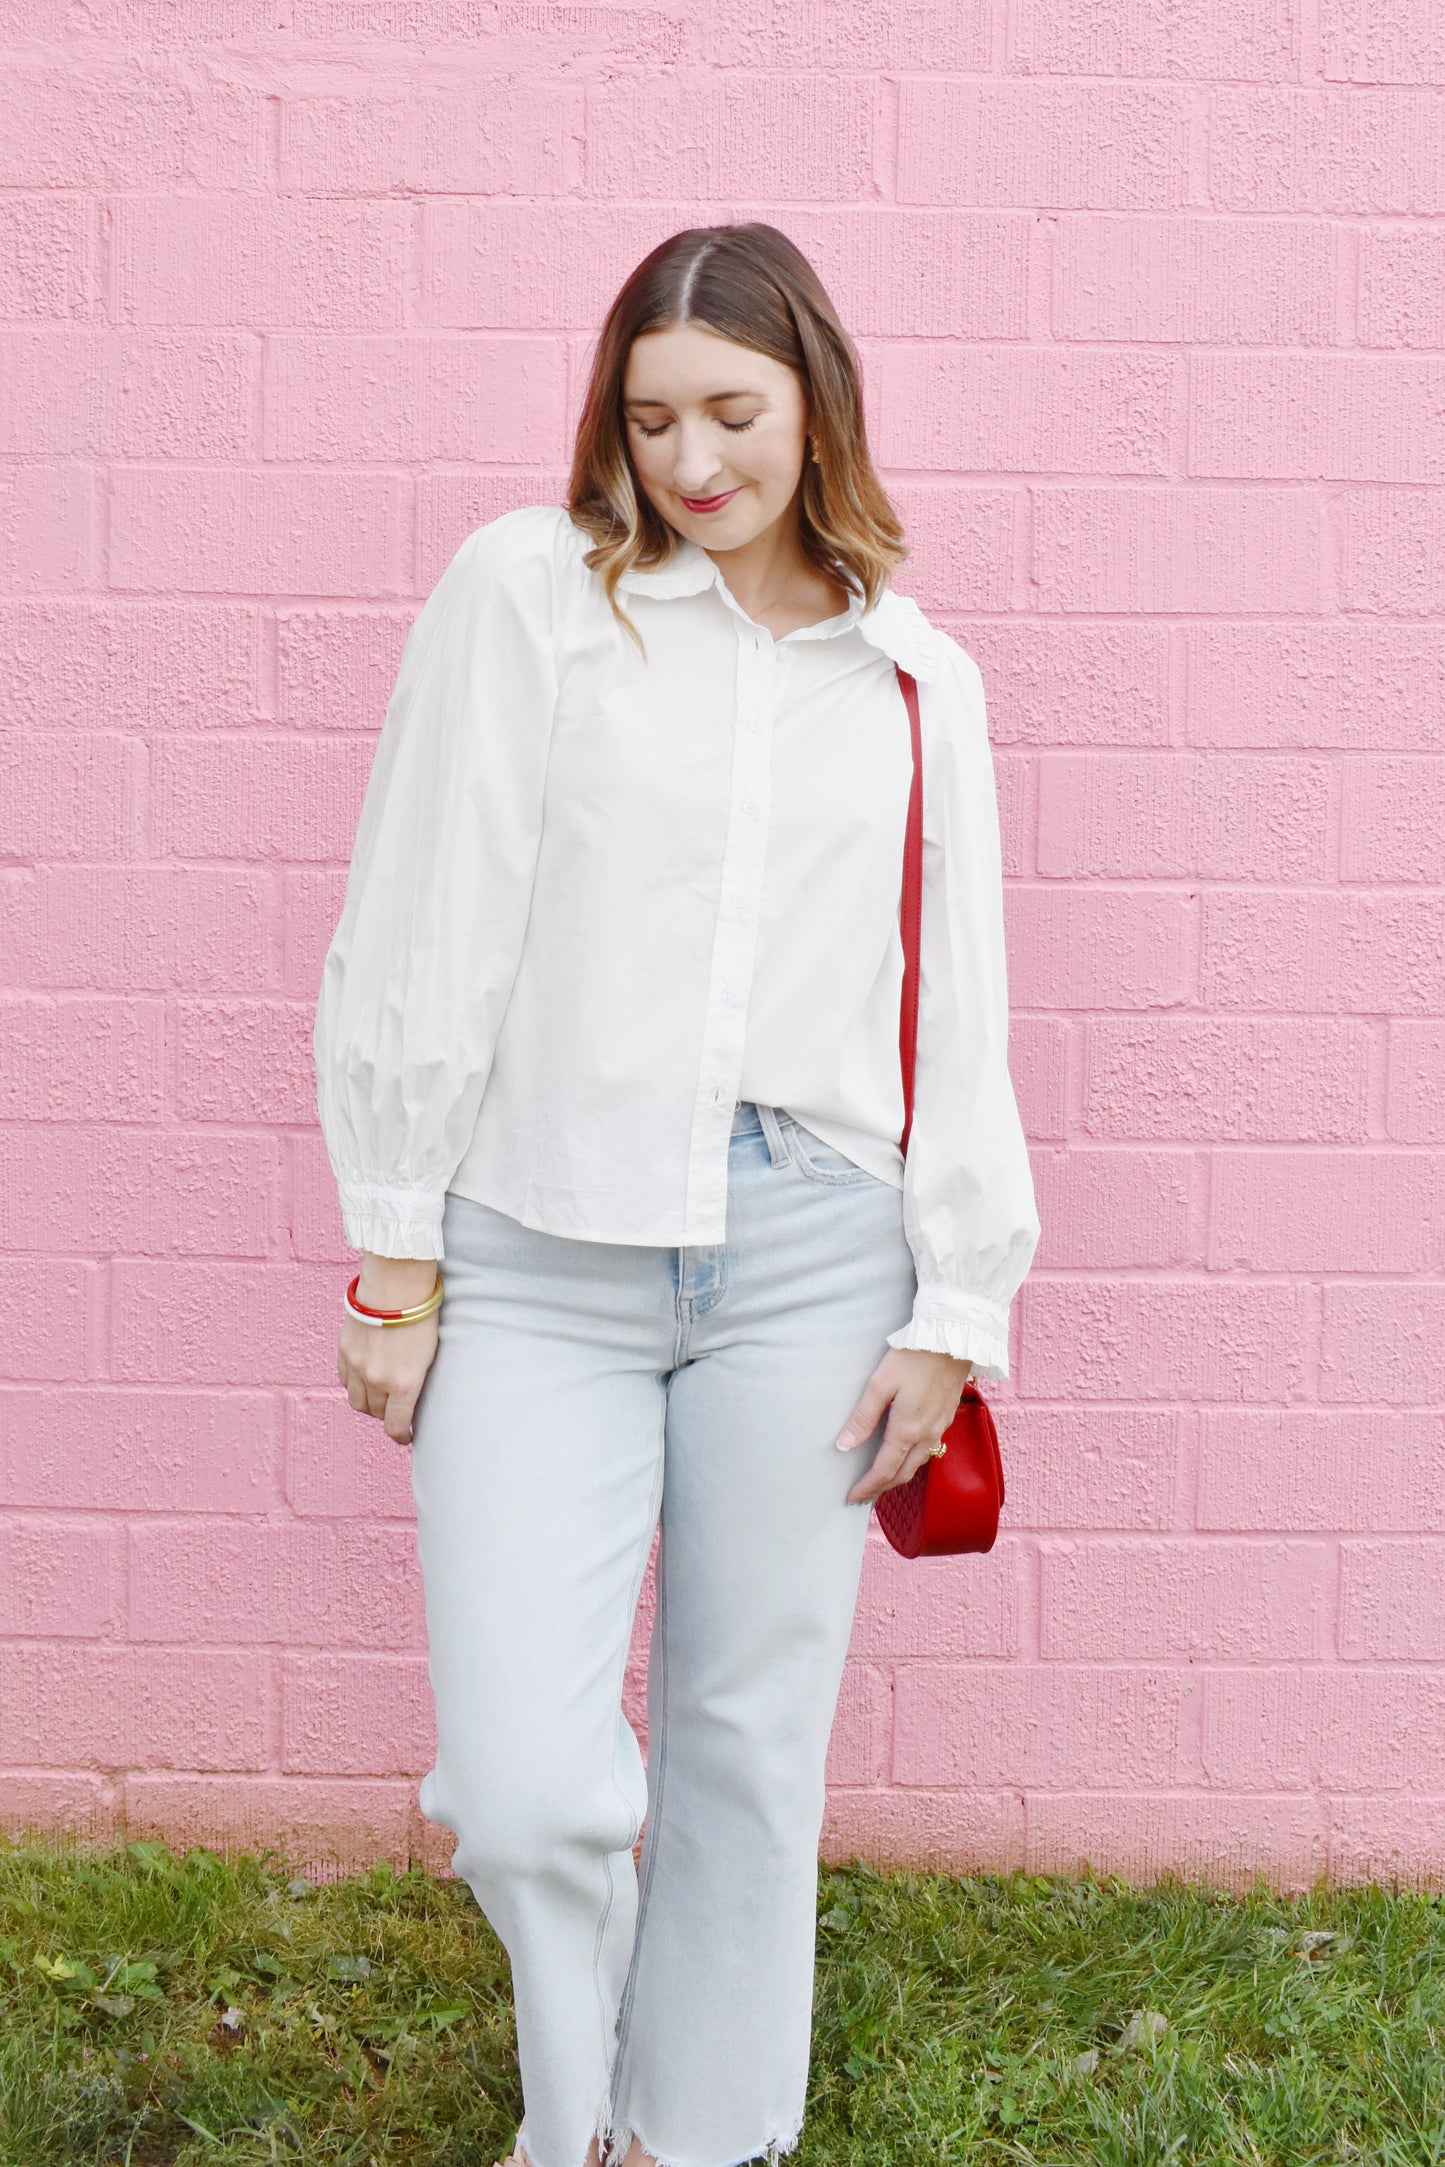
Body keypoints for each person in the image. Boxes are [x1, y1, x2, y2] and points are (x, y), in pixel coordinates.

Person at [313, 222, 1040, 2167]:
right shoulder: (531, 596)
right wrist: (397, 1243)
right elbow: (423, 917)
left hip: (813, 1245)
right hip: (539, 1246)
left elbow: (955, 999)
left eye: (734, 413)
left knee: (743, 1742)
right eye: (653, 420)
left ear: (820, 407)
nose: (694, 460)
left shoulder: (912, 675)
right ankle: (581, 2105)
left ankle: (687, 2136)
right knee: (532, 1786)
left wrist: (953, 1309)